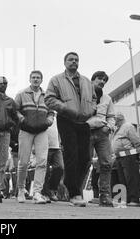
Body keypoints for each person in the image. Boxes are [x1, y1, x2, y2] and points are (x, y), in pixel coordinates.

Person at [45, 52, 99, 207]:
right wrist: (65, 108)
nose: (74, 62)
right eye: (71, 60)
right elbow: (49, 98)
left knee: (85, 158)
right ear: (65, 62)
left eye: (76, 60)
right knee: (71, 155)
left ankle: (70, 183)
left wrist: (91, 110)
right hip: (66, 119)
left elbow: (94, 98)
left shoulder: (87, 81)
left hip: (83, 121)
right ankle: (74, 193)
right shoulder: (56, 80)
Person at [14, 71, 55, 204]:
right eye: (33, 77)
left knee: (42, 161)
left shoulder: (47, 95)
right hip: (26, 130)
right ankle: (20, 189)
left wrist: (49, 121)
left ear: (41, 80)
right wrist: (22, 120)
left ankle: (37, 192)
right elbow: (15, 110)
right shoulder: (21, 94)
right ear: (29, 79)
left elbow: (51, 111)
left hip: (42, 131)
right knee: (23, 162)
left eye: (38, 78)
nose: (36, 80)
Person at [86, 71, 116, 207]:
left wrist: (109, 127)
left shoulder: (107, 98)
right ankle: (76, 194)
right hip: (86, 132)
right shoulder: (84, 95)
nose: (102, 81)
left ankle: (105, 196)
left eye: (104, 80)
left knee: (106, 163)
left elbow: (111, 116)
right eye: (99, 79)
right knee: (84, 163)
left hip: (102, 134)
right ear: (92, 80)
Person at [110, 112, 140, 207]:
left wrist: (139, 154)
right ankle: (127, 199)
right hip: (119, 157)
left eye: (114, 120)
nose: (113, 122)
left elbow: (136, 141)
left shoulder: (128, 126)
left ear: (118, 119)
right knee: (122, 179)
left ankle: (134, 199)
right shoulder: (118, 129)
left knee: (131, 177)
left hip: (128, 156)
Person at [41, 116, 64, 203]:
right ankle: (45, 193)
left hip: (56, 147)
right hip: (43, 146)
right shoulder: (43, 111)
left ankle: (52, 189)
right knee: (44, 170)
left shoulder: (58, 114)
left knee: (60, 167)